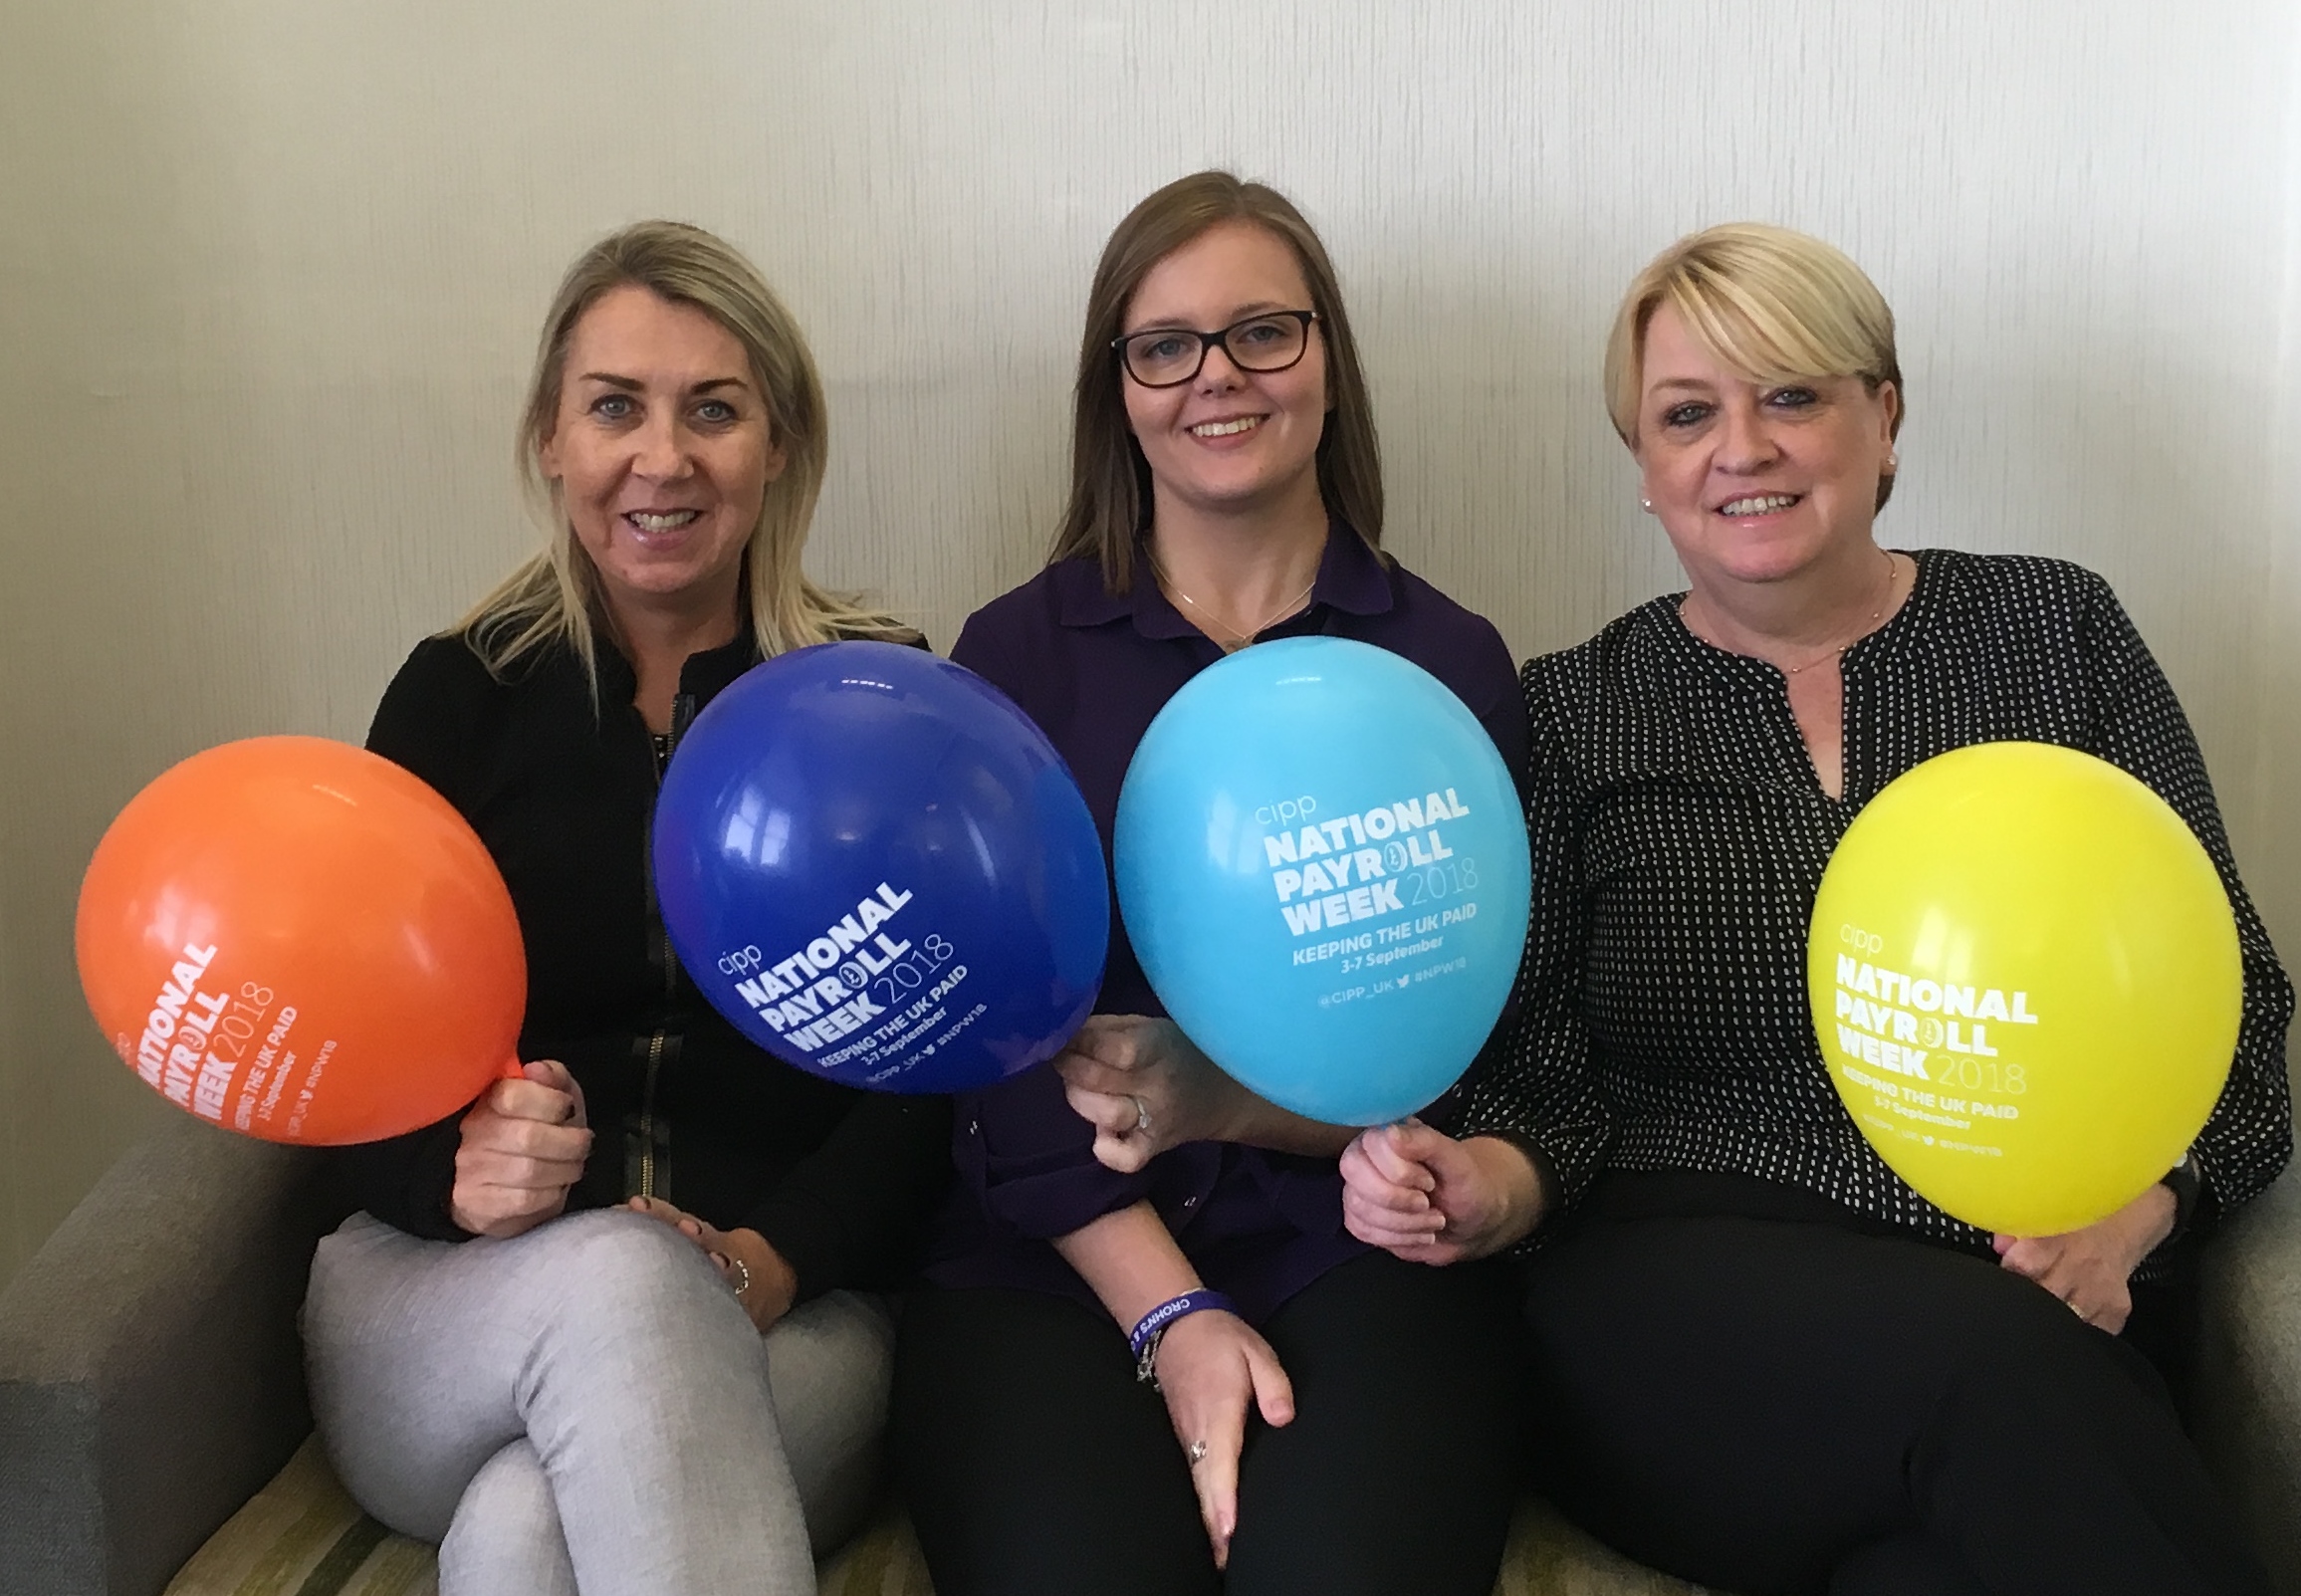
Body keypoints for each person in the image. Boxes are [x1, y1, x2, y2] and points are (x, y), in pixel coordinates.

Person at [1334, 222, 2294, 1595]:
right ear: (1647, 473)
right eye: (1687, 414)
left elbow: (2237, 1002)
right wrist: (1477, 1187)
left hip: (2022, 1275)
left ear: (1883, 417)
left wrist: (2139, 1216)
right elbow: (1538, 1084)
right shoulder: (1571, 708)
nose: (1744, 447)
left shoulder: (2058, 635)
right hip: (1679, 1299)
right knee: (1998, 1374)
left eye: (1791, 394)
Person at [891, 172, 1528, 1596]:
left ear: (1328, 360)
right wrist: (1169, 1313)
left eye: (1262, 332)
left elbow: (1468, 1037)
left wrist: (1257, 1113)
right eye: (1165, 344)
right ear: (1116, 389)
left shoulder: (1446, 666)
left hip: (1355, 1247)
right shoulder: (1014, 658)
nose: (1216, 378)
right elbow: (975, 1043)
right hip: (1053, 1260)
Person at [302, 220, 951, 1596]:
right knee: (621, 1282)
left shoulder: (879, 701)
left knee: (527, 1533)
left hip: (791, 1318)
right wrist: (444, 1173)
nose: (662, 459)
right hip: (444, 1310)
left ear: (780, 445)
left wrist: (783, 1254)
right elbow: (335, 1050)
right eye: (615, 408)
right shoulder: (454, 699)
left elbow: (938, 1067)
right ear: (552, 437)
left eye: (713, 410)